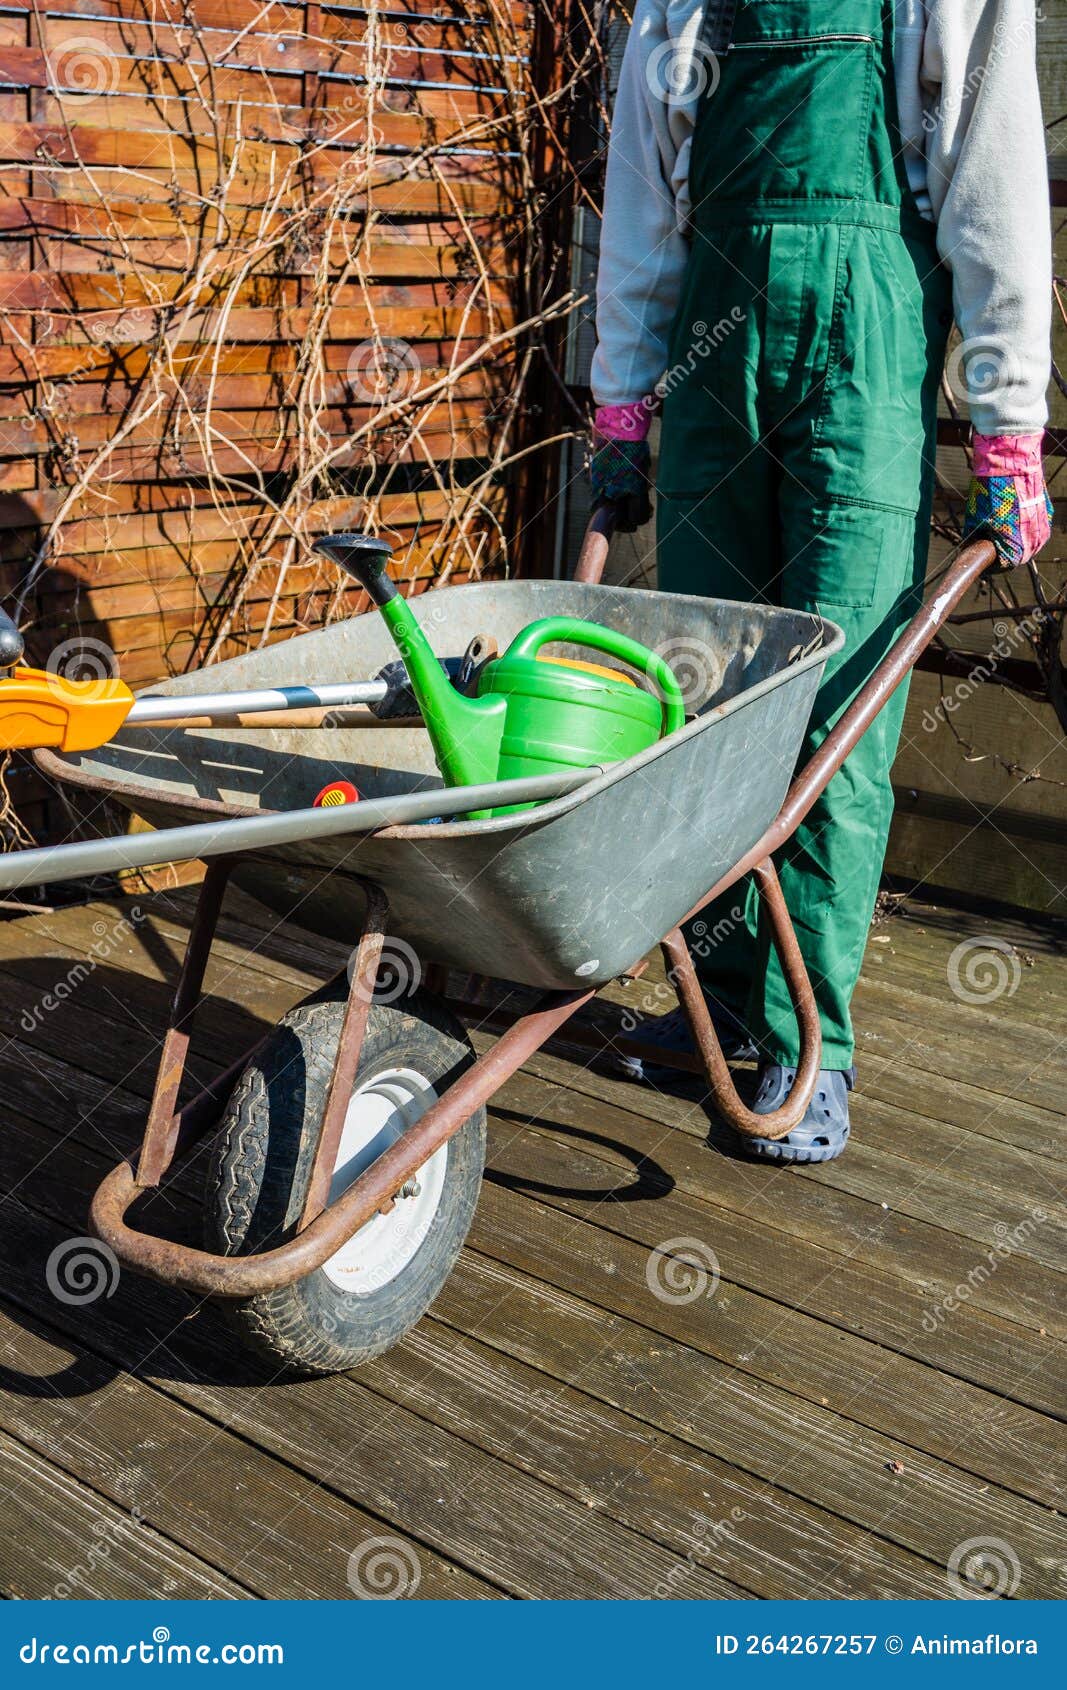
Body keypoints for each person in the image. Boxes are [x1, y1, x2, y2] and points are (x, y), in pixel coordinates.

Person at [590, 0, 1053, 1163]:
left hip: (868, 335)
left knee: (841, 711)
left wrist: (1006, 422)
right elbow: (645, 194)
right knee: (704, 698)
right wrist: (623, 392)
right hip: (715, 332)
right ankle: (717, 1002)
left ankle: (811, 1041)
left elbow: (989, 168)